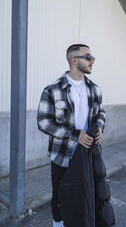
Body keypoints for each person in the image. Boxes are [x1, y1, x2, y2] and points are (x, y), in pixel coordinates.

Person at [37, 44, 106, 227]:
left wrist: (99, 126)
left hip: (89, 155)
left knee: (88, 196)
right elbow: (43, 121)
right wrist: (75, 135)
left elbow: (101, 112)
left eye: (92, 57)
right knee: (60, 198)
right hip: (63, 156)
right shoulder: (52, 89)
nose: (92, 61)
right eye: (88, 57)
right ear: (74, 60)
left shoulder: (94, 89)